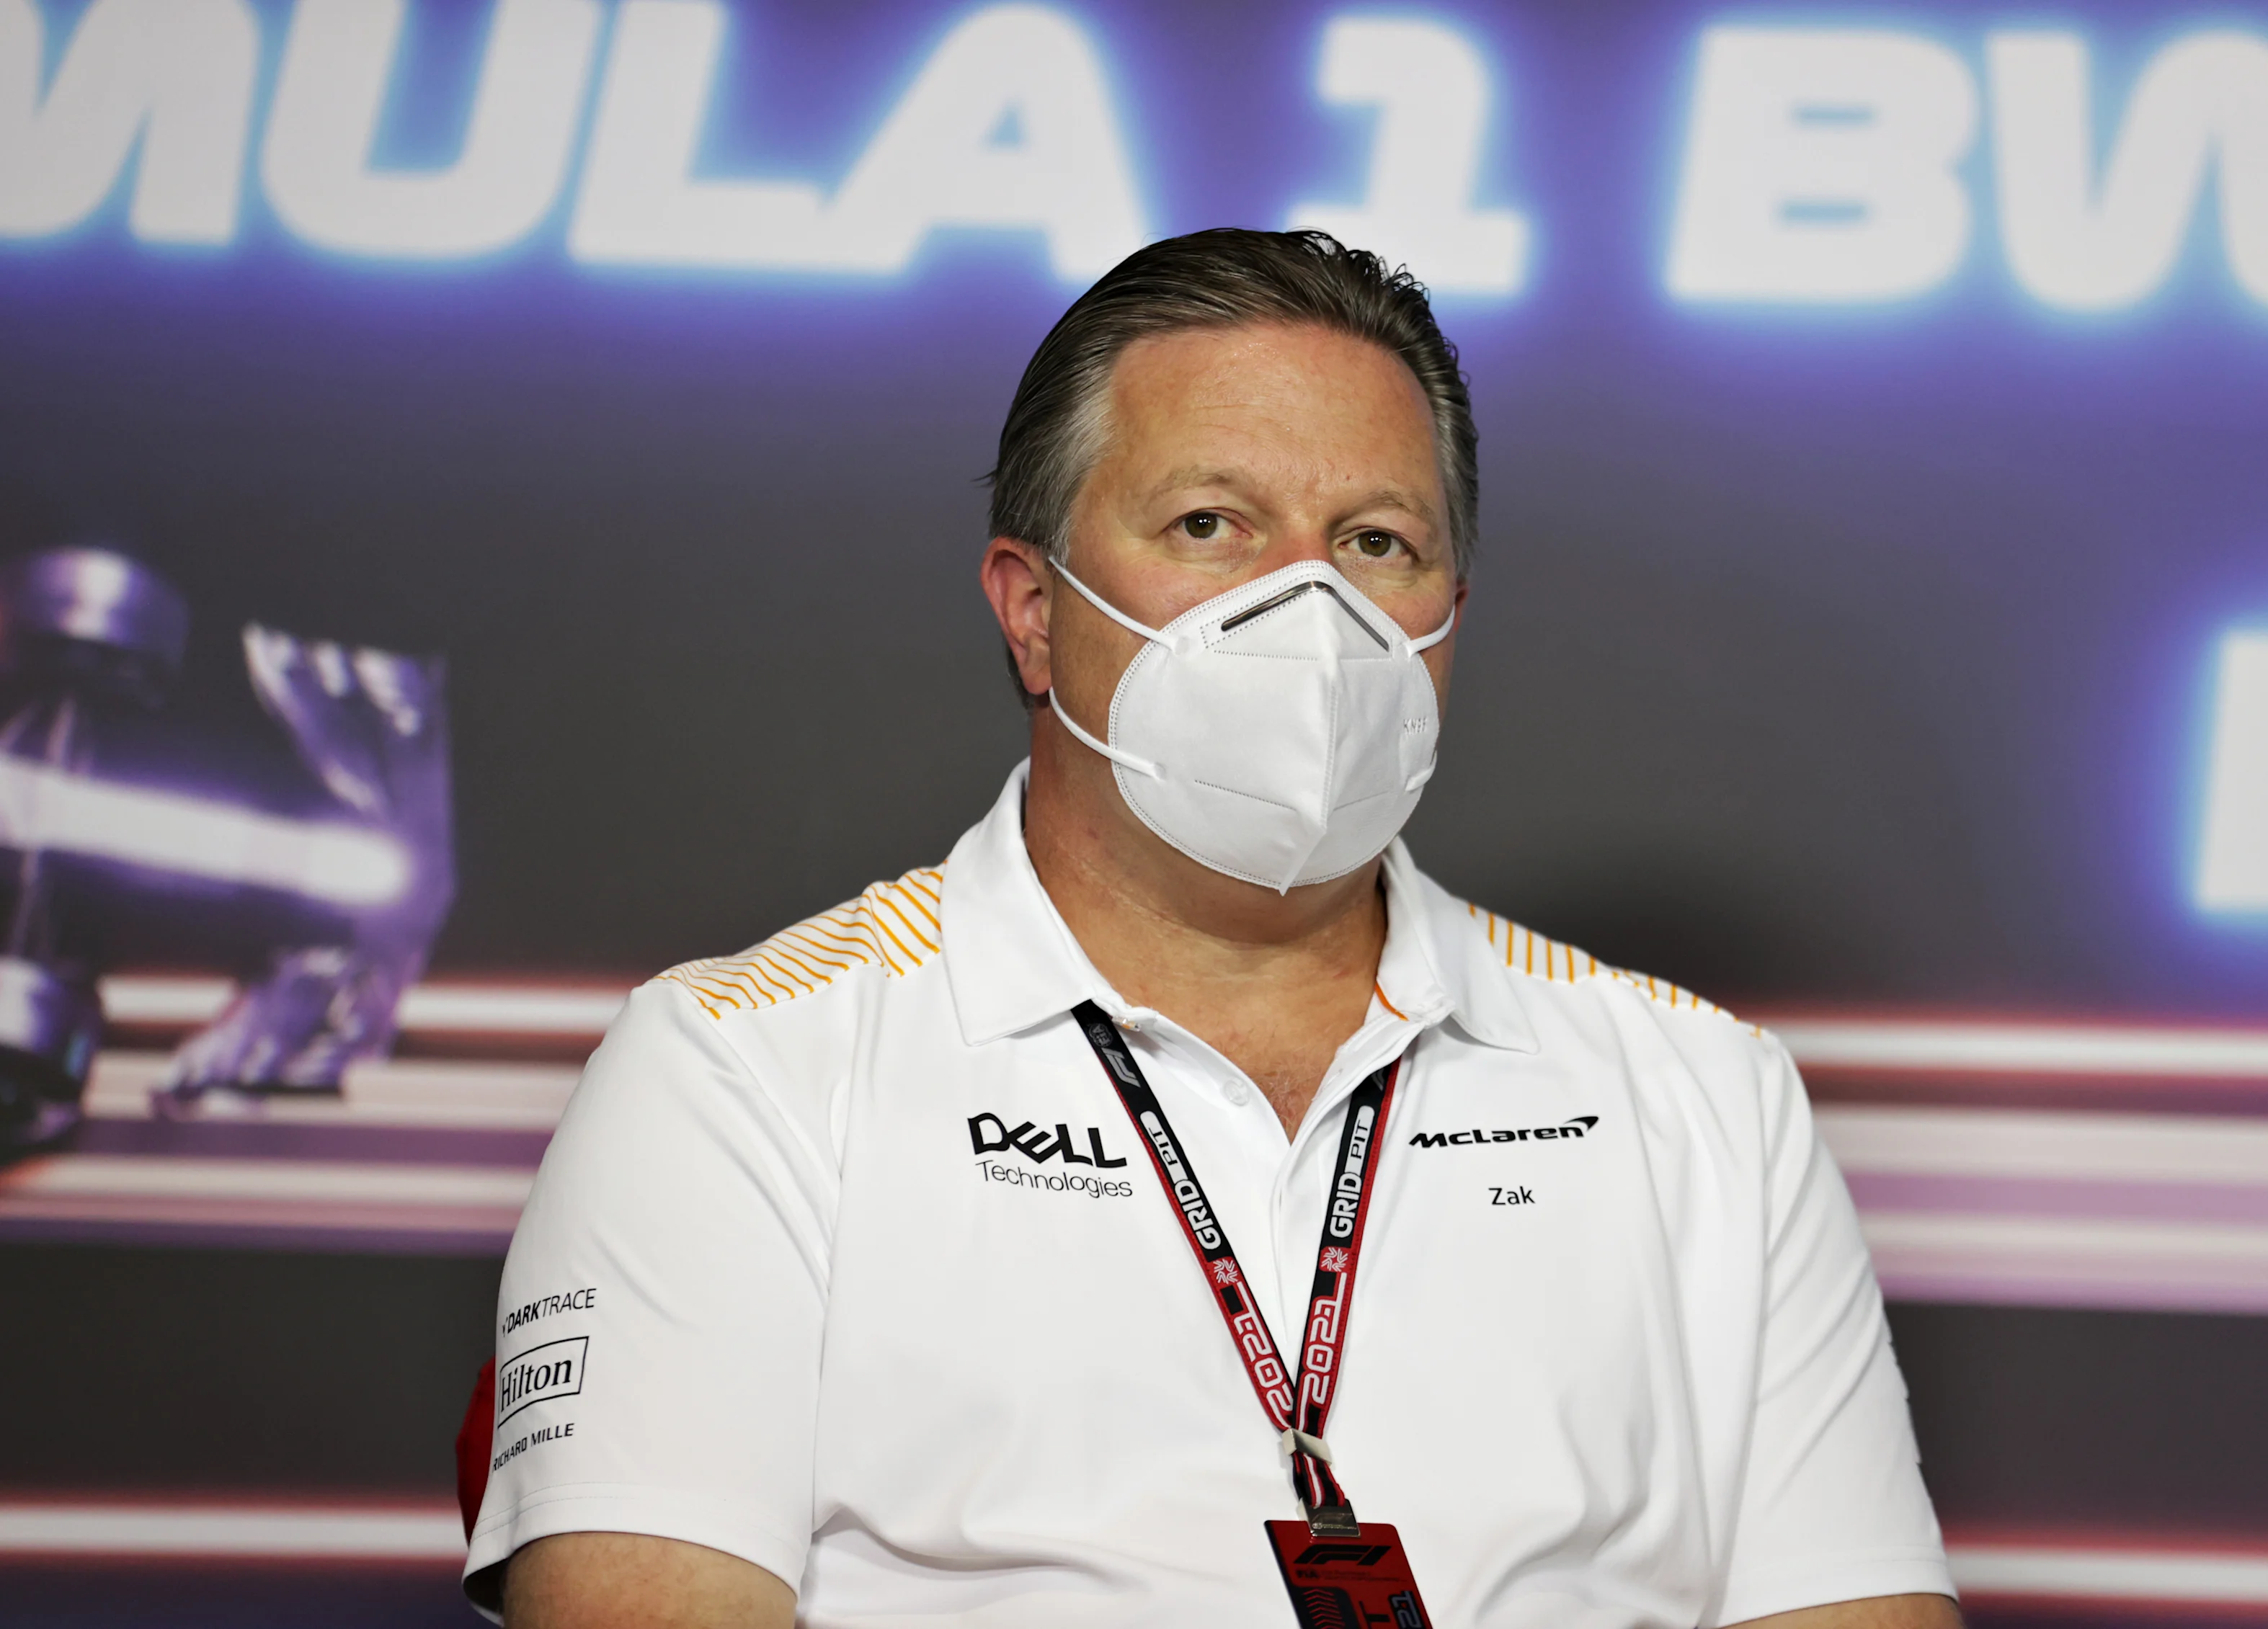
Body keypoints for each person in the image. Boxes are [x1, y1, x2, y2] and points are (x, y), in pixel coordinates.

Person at [464, 229, 1959, 1629]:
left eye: (1375, 541)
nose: (1306, 609)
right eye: (1208, 524)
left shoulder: (1702, 1093)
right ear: (1031, 608)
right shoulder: (744, 1072)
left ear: (1451, 612)